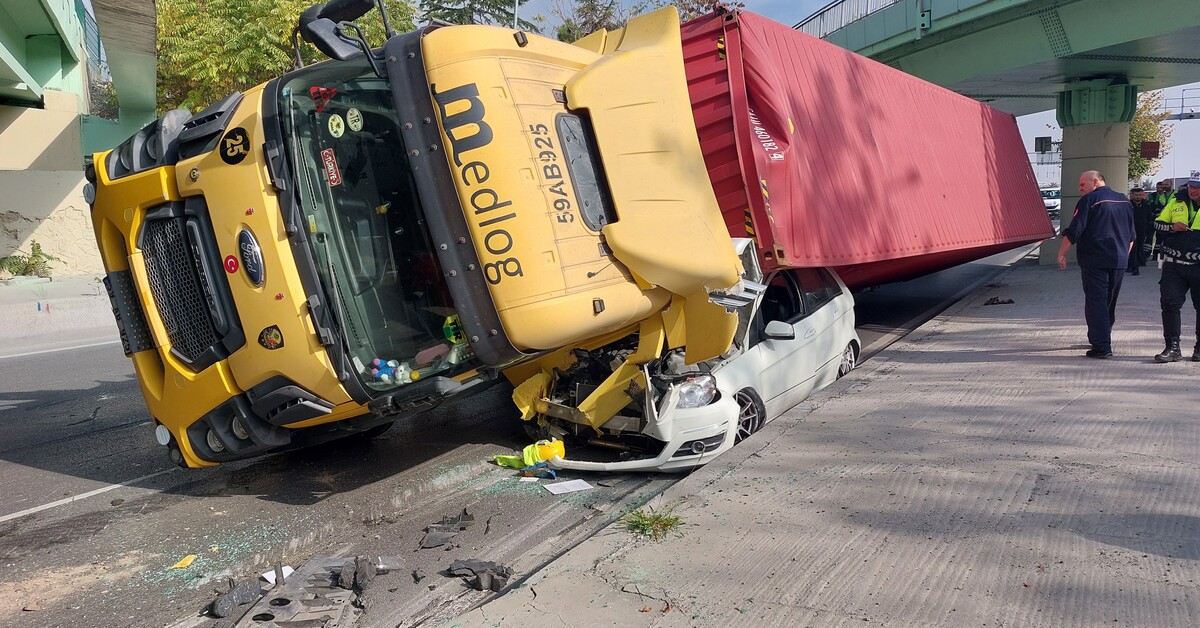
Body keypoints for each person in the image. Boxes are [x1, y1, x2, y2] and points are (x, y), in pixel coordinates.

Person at [1057, 170, 1136, 358]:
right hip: (1119, 259)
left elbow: (1075, 230)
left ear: (1095, 181)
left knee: (1096, 302)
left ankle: (1101, 346)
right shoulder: (1124, 201)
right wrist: (1124, 255)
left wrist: (1061, 253)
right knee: (1109, 301)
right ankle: (1102, 336)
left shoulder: (1089, 200)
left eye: (1082, 184)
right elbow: (1132, 235)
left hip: (1095, 259)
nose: (1080, 189)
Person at [1150, 178, 1200, 362]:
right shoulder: (1175, 202)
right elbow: (1157, 224)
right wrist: (1172, 227)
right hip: (1174, 264)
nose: (1193, 190)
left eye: (1198, 187)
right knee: (1169, 304)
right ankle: (1172, 348)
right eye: (1191, 186)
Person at [1126, 187, 1154, 275]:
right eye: (1136, 195)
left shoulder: (1146, 204)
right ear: (1131, 195)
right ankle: (1134, 267)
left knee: (1139, 247)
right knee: (1133, 248)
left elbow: (1149, 217)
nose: (1138, 197)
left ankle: (1136, 263)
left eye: (1140, 195)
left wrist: (1149, 228)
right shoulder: (1128, 205)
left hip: (1142, 229)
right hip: (1131, 229)